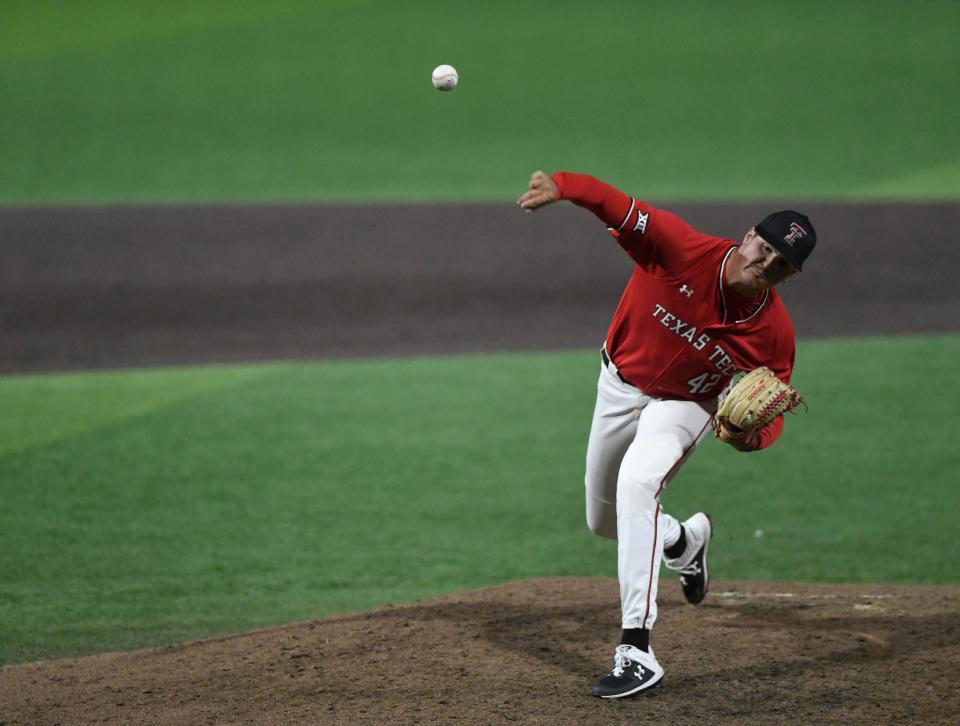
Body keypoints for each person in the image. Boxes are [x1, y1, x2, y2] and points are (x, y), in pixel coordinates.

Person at [517, 170, 816, 698]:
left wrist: (750, 439)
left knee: (638, 485)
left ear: (788, 276)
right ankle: (684, 540)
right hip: (618, 384)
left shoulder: (773, 334)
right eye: (763, 248)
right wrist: (562, 186)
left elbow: (772, 418)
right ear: (747, 236)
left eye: (781, 264)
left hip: (686, 405)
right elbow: (615, 205)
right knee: (604, 521)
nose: (764, 263)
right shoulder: (680, 248)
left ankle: (637, 650)